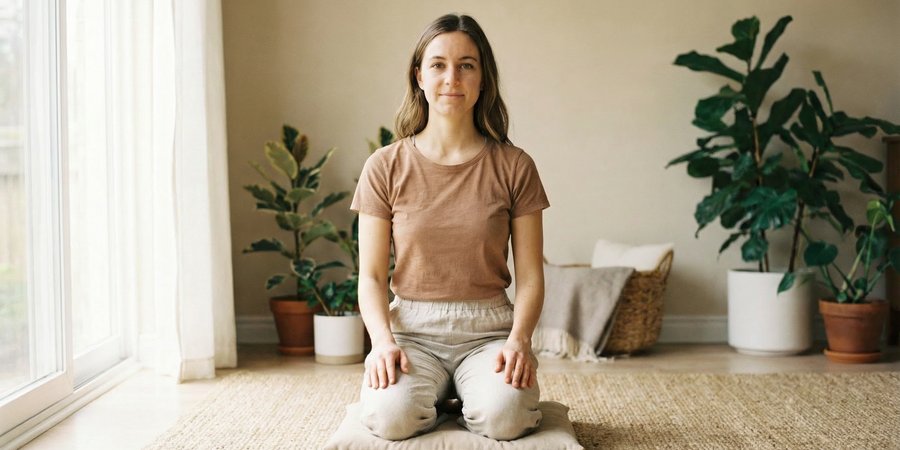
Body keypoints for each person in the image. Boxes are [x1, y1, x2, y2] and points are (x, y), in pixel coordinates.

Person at [350, 13, 550, 442]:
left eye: (466, 65)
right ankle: (438, 398)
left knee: (506, 418)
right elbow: (370, 277)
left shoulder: (515, 166)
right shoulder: (384, 166)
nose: (451, 78)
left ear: (483, 78)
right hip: (411, 332)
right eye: (438, 64)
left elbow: (532, 277)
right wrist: (382, 342)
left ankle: (466, 396)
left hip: (490, 331)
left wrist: (519, 340)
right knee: (392, 418)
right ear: (419, 76)